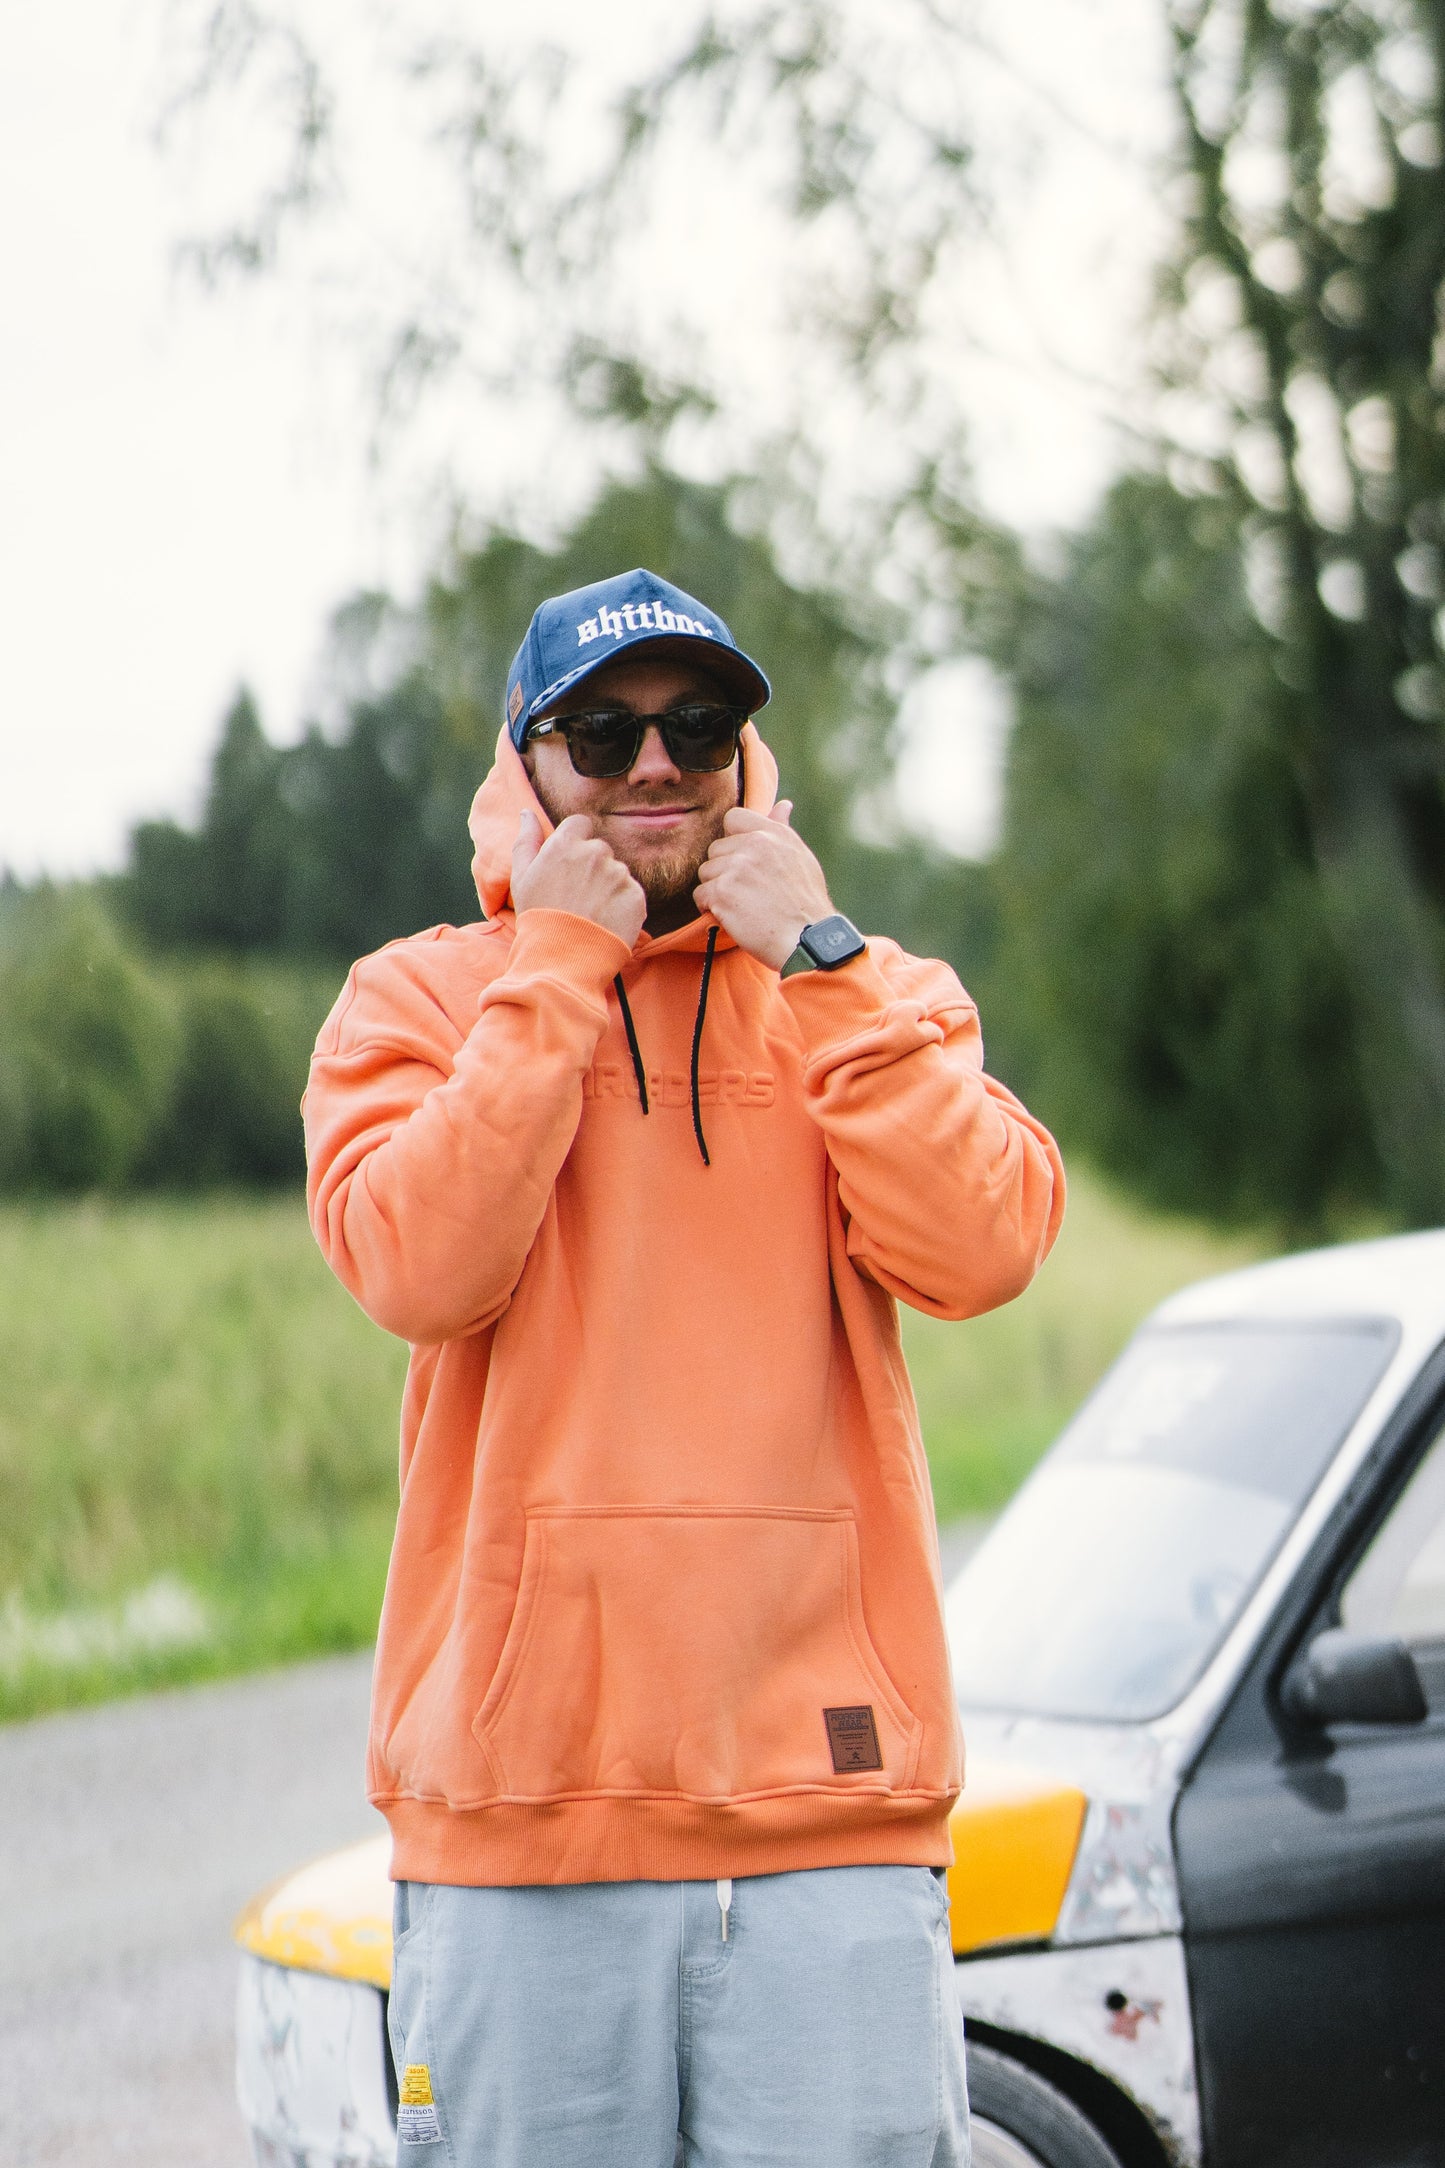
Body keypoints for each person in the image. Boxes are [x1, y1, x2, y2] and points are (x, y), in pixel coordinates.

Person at [304, 567, 1065, 2167]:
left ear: (744, 758)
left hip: (833, 1824)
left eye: (699, 726)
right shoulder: (420, 1002)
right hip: (520, 1828)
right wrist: (555, 976)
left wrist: (822, 958)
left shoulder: (867, 990)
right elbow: (414, 1265)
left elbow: (985, 1247)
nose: (657, 767)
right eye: (604, 732)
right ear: (529, 766)